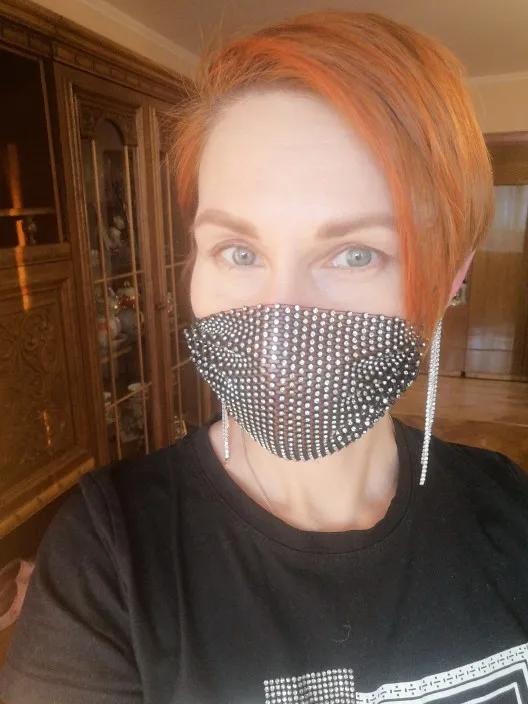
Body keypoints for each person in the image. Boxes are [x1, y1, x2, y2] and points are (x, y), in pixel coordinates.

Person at [1, 10, 527, 704]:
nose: (278, 323)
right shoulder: (109, 556)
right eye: (239, 251)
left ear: (451, 277)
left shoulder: (508, 511)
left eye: (356, 254)